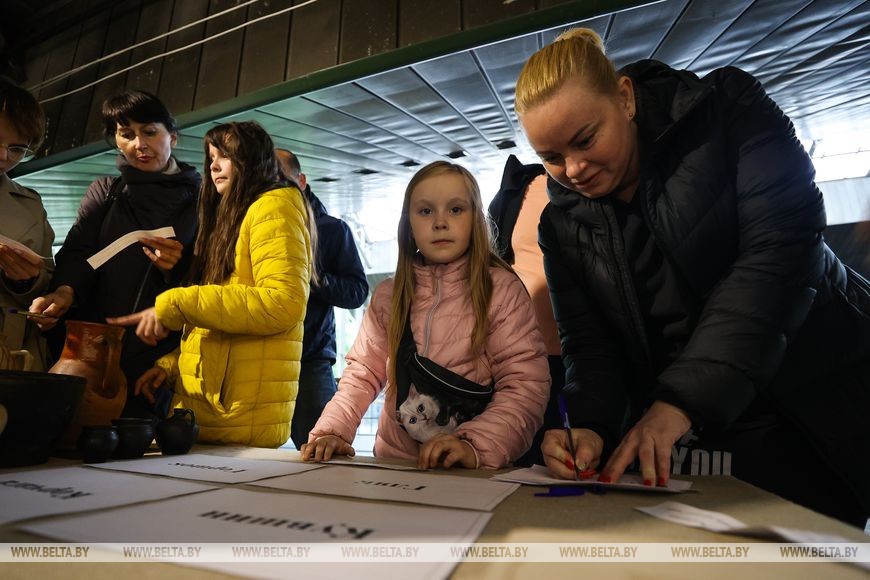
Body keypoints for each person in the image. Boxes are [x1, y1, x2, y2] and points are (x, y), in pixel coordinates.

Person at [516, 28, 870, 526]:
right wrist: (590, 424)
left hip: (810, 400)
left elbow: (780, 257)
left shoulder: (727, 112)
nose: (573, 168)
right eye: (550, 158)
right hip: (689, 431)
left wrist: (679, 402)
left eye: (585, 140)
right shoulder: (560, 225)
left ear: (624, 97)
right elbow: (591, 346)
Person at [302, 161, 550, 469]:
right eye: (425, 211)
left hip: (471, 471)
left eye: (456, 209)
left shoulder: (500, 290)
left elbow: (524, 384)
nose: (440, 222)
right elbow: (362, 373)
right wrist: (333, 431)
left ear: (475, 219)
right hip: (395, 469)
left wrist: (475, 444)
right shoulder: (389, 296)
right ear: (409, 224)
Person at [109, 121, 311, 448]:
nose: (214, 165)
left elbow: (281, 304)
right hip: (212, 413)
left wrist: (176, 303)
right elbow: (226, 319)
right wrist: (173, 365)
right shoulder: (234, 216)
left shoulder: (274, 205)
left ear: (254, 159)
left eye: (226, 156)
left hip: (240, 417)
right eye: (211, 156)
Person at [30, 91, 199, 417]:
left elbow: (211, 278)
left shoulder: (202, 200)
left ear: (172, 137)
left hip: (155, 354)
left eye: (149, 131)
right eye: (127, 134)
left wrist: (176, 270)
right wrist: (65, 289)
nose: (139, 144)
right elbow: (78, 249)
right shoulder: (106, 191)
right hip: (90, 351)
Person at [275, 148, 369, 450]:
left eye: (279, 178)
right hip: (262, 359)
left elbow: (357, 292)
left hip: (310, 361)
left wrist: (315, 279)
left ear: (301, 181)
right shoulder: (256, 226)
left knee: (319, 450)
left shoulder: (331, 230)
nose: (271, 188)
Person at [488, 154, 564, 467]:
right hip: (521, 357)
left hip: (581, 357)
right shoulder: (521, 190)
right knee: (520, 460)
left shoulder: (592, 193)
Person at [0, 78, 54, 370]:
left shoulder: (30, 205)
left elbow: (47, 279)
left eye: (17, 149)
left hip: (13, 354)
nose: (3, 156)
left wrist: (26, 282)